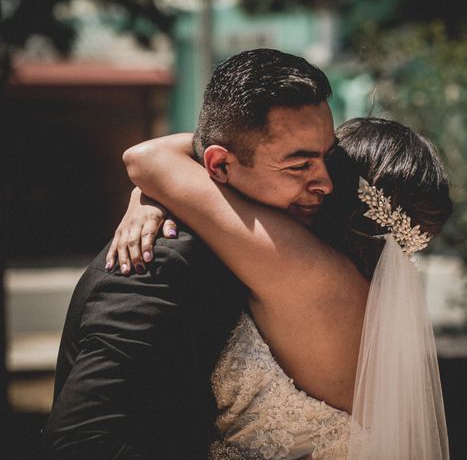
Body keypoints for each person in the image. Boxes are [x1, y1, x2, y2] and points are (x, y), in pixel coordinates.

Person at [43, 49, 335, 460]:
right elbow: (82, 441)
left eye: (327, 156)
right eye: (299, 165)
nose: (325, 183)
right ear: (218, 166)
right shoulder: (159, 261)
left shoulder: (250, 242)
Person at [119, 116, 453, 459]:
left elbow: (148, 159)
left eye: (321, 162)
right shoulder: (382, 303)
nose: (313, 175)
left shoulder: (305, 267)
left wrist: (147, 196)